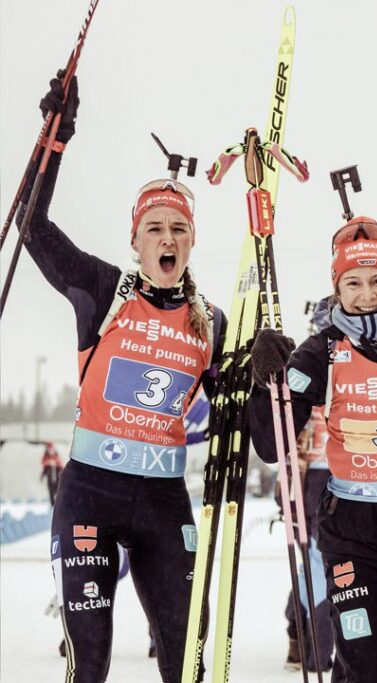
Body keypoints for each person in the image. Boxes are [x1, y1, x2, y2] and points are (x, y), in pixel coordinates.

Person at [20, 72, 225, 682]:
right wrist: (54, 139)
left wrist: (269, 358)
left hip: (165, 500)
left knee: (186, 658)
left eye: (179, 229)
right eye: (155, 229)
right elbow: (33, 225)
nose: (167, 238)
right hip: (90, 491)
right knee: (91, 665)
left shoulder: (210, 322)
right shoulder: (105, 290)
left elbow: (260, 436)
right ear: (135, 240)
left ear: (191, 242)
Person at [248, 216, 377, 683]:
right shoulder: (321, 352)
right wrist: (264, 381)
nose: (367, 294)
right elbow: (272, 444)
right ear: (337, 289)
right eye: (352, 283)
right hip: (353, 531)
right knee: (363, 665)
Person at [282, 406, 335, 673]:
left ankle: (303, 638)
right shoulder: (307, 381)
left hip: (334, 473)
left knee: (313, 565)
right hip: (318, 475)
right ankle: (316, 651)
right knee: (316, 566)